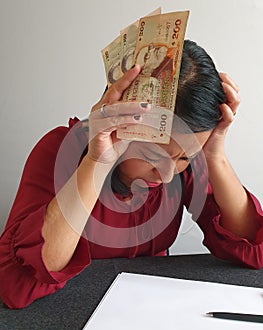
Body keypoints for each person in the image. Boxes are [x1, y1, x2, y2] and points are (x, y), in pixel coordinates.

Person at [0, 40, 263, 309]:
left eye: (185, 157)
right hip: (72, 312)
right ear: (120, 125)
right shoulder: (58, 151)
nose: (166, 173)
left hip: (151, 309)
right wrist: (96, 161)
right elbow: (16, 283)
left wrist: (214, 155)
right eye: (151, 156)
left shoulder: (187, 159)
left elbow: (252, 249)